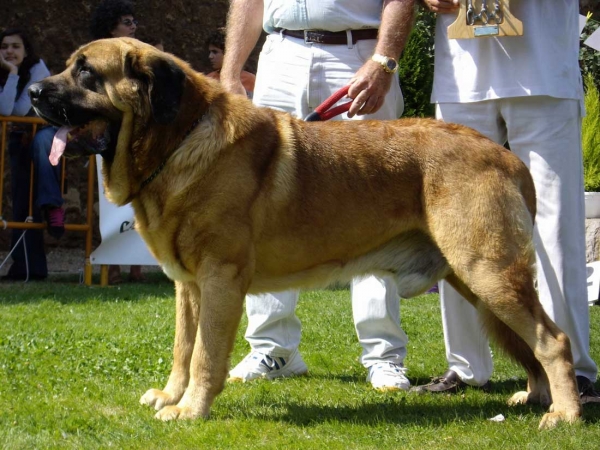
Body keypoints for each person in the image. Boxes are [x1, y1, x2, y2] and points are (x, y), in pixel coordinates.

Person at [220, 0, 416, 390]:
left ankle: (383, 354)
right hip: (280, 54)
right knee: (265, 208)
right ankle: (273, 348)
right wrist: (230, 72)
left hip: (357, 52)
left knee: (375, 208)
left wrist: (384, 60)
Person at [413, 0, 599, 399]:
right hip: (461, 74)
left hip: (544, 70)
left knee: (557, 221)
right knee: (454, 225)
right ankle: (465, 366)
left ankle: (575, 370)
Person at [0, 27, 62, 281]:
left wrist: (13, 76)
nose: (9, 51)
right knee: (21, 202)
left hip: (45, 130)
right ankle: (27, 268)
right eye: (4, 47)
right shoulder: (6, 72)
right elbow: (7, 111)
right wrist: (12, 73)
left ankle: (53, 205)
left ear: (26, 51)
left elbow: (21, 108)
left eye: (16, 46)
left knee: (35, 196)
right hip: (18, 136)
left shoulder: (38, 69)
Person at [90, 0, 144, 284]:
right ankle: (111, 267)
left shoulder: (139, 55)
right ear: (111, 27)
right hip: (108, 139)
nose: (133, 26)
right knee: (110, 204)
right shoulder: (96, 58)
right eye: (127, 21)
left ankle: (136, 267)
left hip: (136, 140)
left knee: (136, 200)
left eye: (134, 21)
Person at [205, 28, 255, 97]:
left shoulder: (250, 80)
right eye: (210, 52)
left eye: (215, 52)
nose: (210, 56)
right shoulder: (208, 80)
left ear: (228, 53)